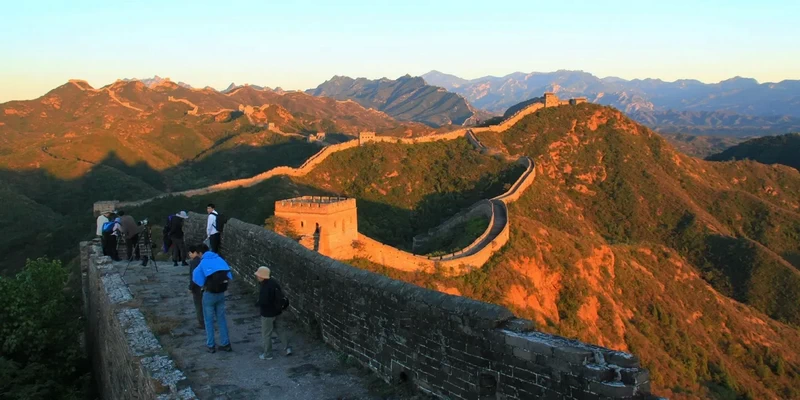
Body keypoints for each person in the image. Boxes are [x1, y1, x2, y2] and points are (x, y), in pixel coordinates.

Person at [192, 245, 233, 353]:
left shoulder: (203, 262)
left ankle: (211, 345)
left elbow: (196, 276)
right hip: (221, 293)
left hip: (209, 294)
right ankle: (226, 343)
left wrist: (203, 284)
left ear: (200, 253)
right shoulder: (220, 259)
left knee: (208, 320)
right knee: (221, 319)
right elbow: (229, 274)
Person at [255, 266, 292, 360]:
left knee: (266, 334)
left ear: (262, 277)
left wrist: (257, 303)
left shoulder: (264, 287)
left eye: (258, 275)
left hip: (267, 314)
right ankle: (287, 348)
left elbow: (263, 301)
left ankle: (268, 354)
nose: (257, 277)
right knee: (280, 330)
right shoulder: (274, 282)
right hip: (277, 311)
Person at [187, 244, 206, 329]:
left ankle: (201, 322)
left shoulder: (193, 262)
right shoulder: (203, 260)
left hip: (197, 287)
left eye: (190, 253)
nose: (190, 255)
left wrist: (190, 287)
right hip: (205, 285)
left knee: (198, 305)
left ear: (195, 252)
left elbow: (193, 276)